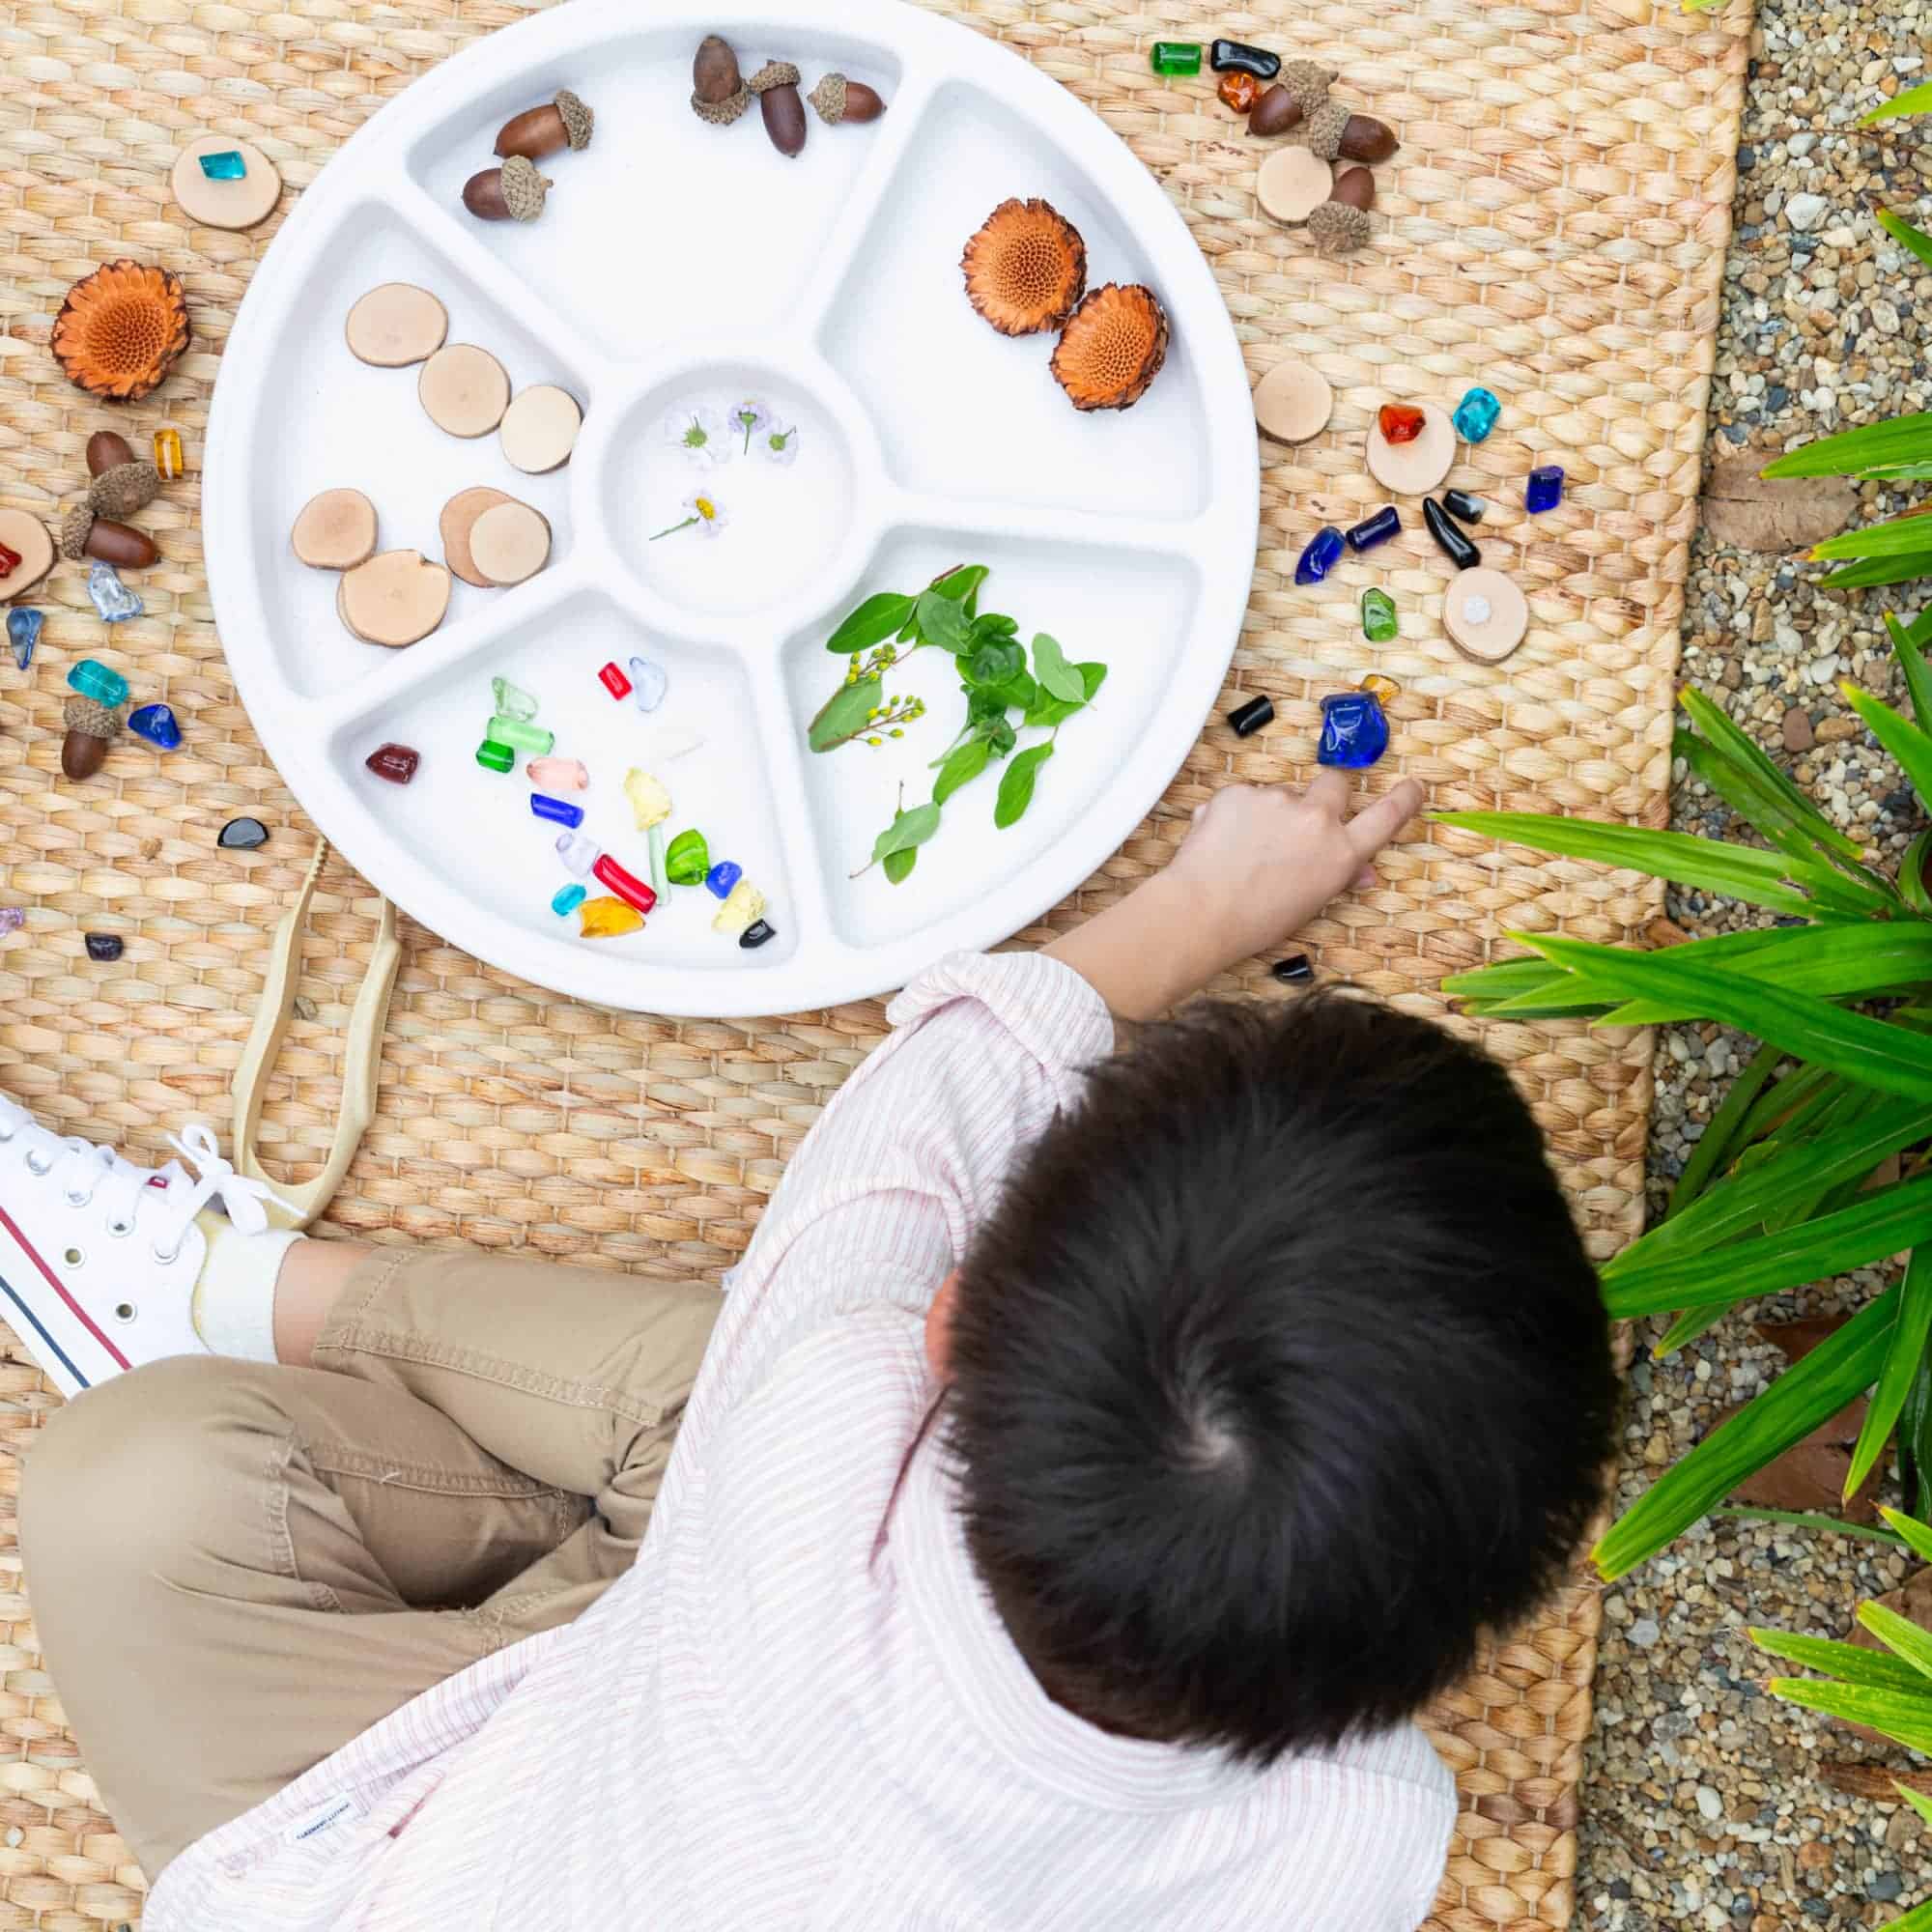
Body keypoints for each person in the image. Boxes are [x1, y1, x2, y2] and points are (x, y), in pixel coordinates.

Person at [9, 775, 1614, 1932]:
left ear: (945, 1328)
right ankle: (266, 1321)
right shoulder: (1360, 1840)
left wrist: (1203, 902)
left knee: (124, 1489)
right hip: (658, 1688)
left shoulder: (832, 1414)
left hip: (394, 1855)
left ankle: (224, 1288)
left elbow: (952, 1080)